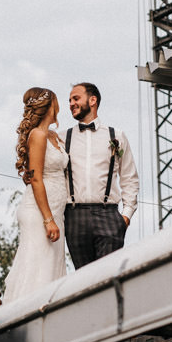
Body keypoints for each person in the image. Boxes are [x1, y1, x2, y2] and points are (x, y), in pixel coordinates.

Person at [2, 88, 69, 302]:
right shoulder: (38, 136)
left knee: (51, 268)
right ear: (50, 106)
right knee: (37, 268)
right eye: (56, 102)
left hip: (57, 212)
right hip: (40, 213)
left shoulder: (53, 136)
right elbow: (37, 178)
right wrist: (48, 219)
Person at [63, 82, 139, 269]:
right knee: (83, 279)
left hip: (109, 215)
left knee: (108, 277)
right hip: (74, 216)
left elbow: (129, 177)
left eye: (76, 98)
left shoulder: (116, 136)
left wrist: (126, 216)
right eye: (70, 100)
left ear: (93, 100)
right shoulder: (62, 137)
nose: (71, 103)